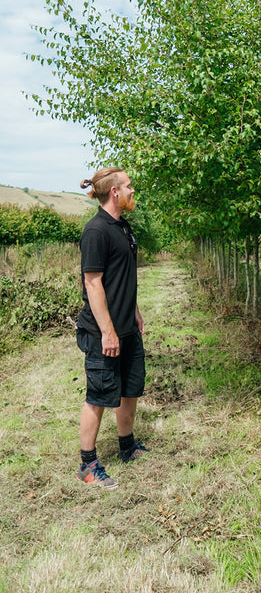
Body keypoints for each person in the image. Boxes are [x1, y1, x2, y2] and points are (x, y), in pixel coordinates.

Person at [75, 166, 147, 489]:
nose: (133, 191)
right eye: (129, 186)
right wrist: (107, 330)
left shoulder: (123, 228)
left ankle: (127, 446)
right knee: (100, 396)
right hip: (102, 333)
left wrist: (133, 311)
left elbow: (122, 278)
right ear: (115, 192)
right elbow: (93, 284)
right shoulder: (96, 231)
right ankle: (87, 464)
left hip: (127, 328)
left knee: (130, 389)